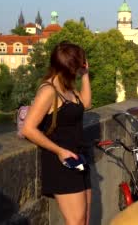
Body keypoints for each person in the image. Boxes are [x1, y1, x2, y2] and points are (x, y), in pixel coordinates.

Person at [21, 42, 92, 225]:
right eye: (79, 65)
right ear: (69, 67)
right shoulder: (49, 91)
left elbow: (85, 104)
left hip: (78, 158)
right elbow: (28, 128)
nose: (81, 67)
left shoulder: (66, 87)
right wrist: (59, 151)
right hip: (62, 162)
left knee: (84, 220)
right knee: (75, 221)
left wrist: (85, 76)